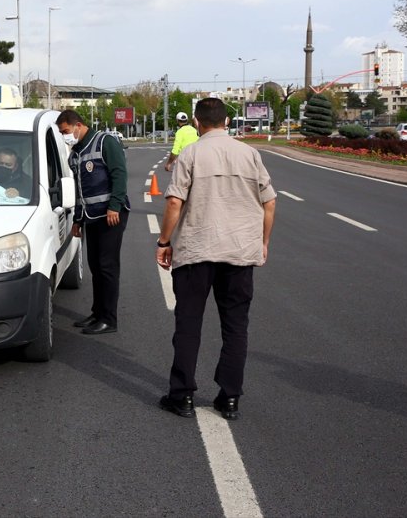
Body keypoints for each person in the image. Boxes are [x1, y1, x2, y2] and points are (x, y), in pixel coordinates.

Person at [155, 97, 276, 421]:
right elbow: (269, 203)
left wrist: (164, 241)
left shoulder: (192, 153)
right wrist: (262, 243)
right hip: (239, 252)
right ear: (227, 121)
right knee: (236, 326)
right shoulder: (250, 154)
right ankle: (230, 397)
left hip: (197, 250)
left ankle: (181, 396)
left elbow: (174, 203)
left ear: (197, 122)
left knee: (188, 324)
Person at [55, 109, 130, 335]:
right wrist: (77, 220)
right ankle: (97, 313)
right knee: (95, 266)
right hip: (90, 216)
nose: (65, 136)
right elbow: (79, 189)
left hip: (110, 214)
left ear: (78, 125)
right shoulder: (76, 152)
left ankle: (109, 318)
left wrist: (114, 206)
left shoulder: (104, 142)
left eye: (66, 131)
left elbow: (119, 174)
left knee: (107, 267)